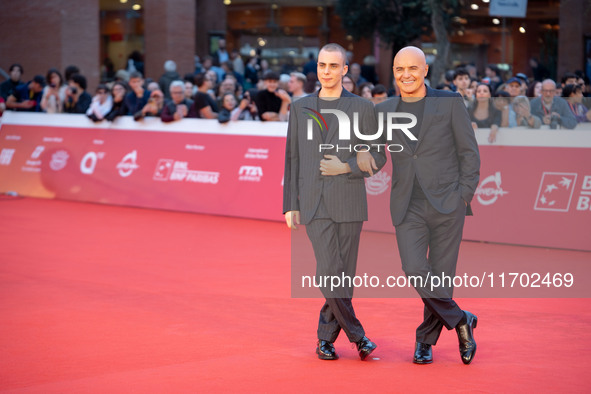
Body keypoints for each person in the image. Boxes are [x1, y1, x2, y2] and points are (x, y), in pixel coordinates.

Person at [375, 46, 480, 365]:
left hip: (448, 201)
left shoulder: (449, 102)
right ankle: (461, 319)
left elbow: (469, 152)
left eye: (411, 68)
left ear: (424, 71)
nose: (405, 74)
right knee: (415, 268)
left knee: (442, 275)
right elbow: (376, 155)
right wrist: (353, 162)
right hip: (408, 203)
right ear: (393, 73)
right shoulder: (385, 110)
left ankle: (425, 341)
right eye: (398, 69)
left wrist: (465, 193)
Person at [283, 43, 385, 361]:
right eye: (321, 65)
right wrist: (290, 203)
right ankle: (358, 336)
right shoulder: (300, 108)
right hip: (314, 202)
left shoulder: (363, 109)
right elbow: (292, 158)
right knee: (329, 270)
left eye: (333, 66)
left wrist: (347, 166)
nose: (326, 72)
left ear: (345, 70)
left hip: (350, 199)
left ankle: (325, 339)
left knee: (343, 275)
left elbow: (379, 156)